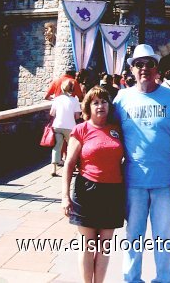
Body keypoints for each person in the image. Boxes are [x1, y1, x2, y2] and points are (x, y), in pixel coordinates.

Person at [113, 44, 170, 283]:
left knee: (163, 236)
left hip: (165, 181)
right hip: (133, 180)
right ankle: (131, 278)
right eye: (139, 64)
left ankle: (163, 279)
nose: (144, 68)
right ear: (132, 69)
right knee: (133, 236)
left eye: (149, 63)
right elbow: (109, 135)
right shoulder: (122, 99)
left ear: (157, 68)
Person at [61, 86, 124, 283]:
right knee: (87, 246)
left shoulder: (116, 129)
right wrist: (65, 196)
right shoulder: (81, 130)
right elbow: (69, 164)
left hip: (112, 191)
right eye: (95, 102)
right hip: (86, 190)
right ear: (88, 106)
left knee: (104, 247)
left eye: (104, 102)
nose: (100, 106)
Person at [50, 79, 82, 176]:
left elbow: (52, 113)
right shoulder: (74, 100)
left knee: (57, 146)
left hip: (57, 125)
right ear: (72, 89)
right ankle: (69, 168)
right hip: (70, 127)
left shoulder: (57, 99)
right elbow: (77, 116)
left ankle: (53, 169)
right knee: (70, 147)